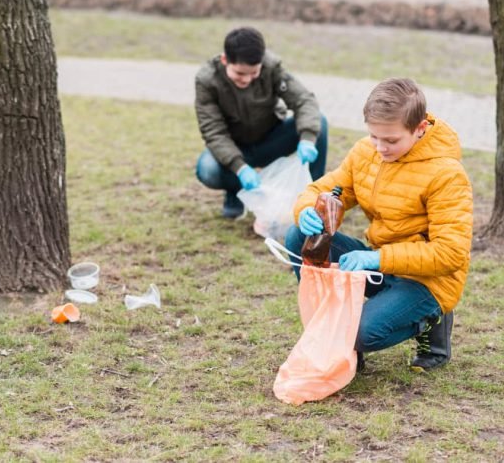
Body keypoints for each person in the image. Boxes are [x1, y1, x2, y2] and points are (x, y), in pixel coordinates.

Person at [285, 78, 473, 372]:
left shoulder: (447, 174)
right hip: (382, 266)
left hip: (427, 280)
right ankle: (332, 335)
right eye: (374, 137)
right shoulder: (366, 152)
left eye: (391, 140)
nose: (380, 148)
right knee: (299, 237)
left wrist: (376, 258)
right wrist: (307, 208)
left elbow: (451, 254)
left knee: (361, 332)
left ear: (420, 129)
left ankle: (431, 320)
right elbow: (327, 189)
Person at [194, 26, 328, 218]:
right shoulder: (207, 80)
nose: (247, 79)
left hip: (270, 138)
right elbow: (213, 131)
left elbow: (303, 99)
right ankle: (235, 192)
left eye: (253, 73)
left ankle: (315, 199)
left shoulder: (271, 67)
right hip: (236, 147)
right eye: (240, 74)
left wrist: (307, 138)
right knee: (208, 169)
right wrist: (239, 167)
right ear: (225, 60)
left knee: (318, 124)